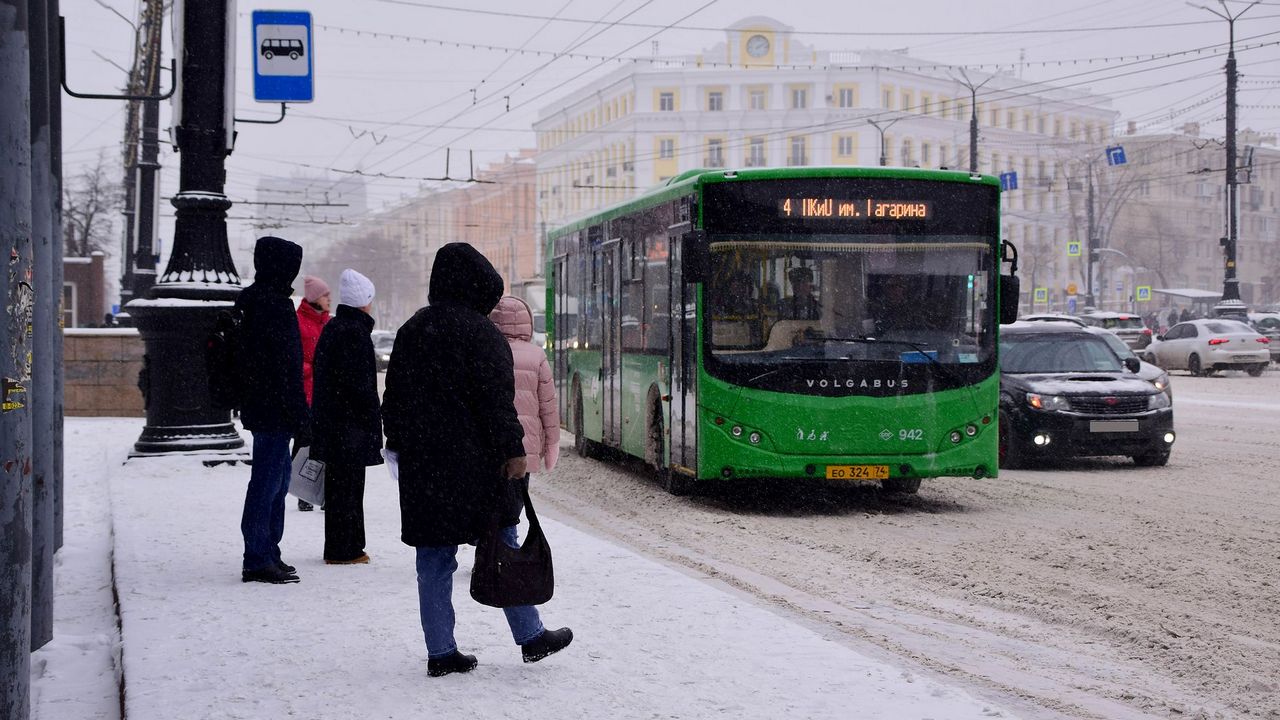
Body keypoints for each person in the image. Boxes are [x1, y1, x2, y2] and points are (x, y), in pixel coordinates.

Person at [383, 242, 572, 678]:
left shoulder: (413, 330)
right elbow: (497, 405)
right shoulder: (483, 334)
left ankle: (441, 651)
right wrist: (513, 453)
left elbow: (393, 402)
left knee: (433, 559)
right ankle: (530, 636)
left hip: (426, 468)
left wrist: (401, 444)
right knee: (502, 542)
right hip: (479, 467)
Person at [237, 236, 309, 584]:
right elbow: (285, 365)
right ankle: (258, 556)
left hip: (262, 405)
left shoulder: (253, 299)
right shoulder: (273, 304)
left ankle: (267, 551)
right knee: (268, 483)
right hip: (274, 409)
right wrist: (299, 412)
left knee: (274, 481)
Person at [311, 269, 382, 565]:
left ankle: (343, 545)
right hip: (350, 426)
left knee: (340, 487)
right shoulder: (355, 334)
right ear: (363, 302)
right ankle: (346, 549)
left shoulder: (335, 327)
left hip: (334, 423)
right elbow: (361, 386)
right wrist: (371, 417)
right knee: (349, 489)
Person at [488, 294, 560, 518]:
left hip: (492, 446)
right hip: (524, 450)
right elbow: (548, 407)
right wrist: (551, 448)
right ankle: (508, 546)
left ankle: (491, 548)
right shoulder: (537, 355)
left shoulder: (486, 351)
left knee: (490, 509)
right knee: (512, 511)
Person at [296, 275, 331, 512]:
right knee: (304, 445)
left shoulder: (328, 323)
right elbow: (294, 358)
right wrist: (312, 368)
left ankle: (325, 491)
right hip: (306, 394)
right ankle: (303, 491)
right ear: (314, 298)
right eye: (325, 295)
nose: (329, 299)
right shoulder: (298, 321)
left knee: (327, 445)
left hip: (326, 394)